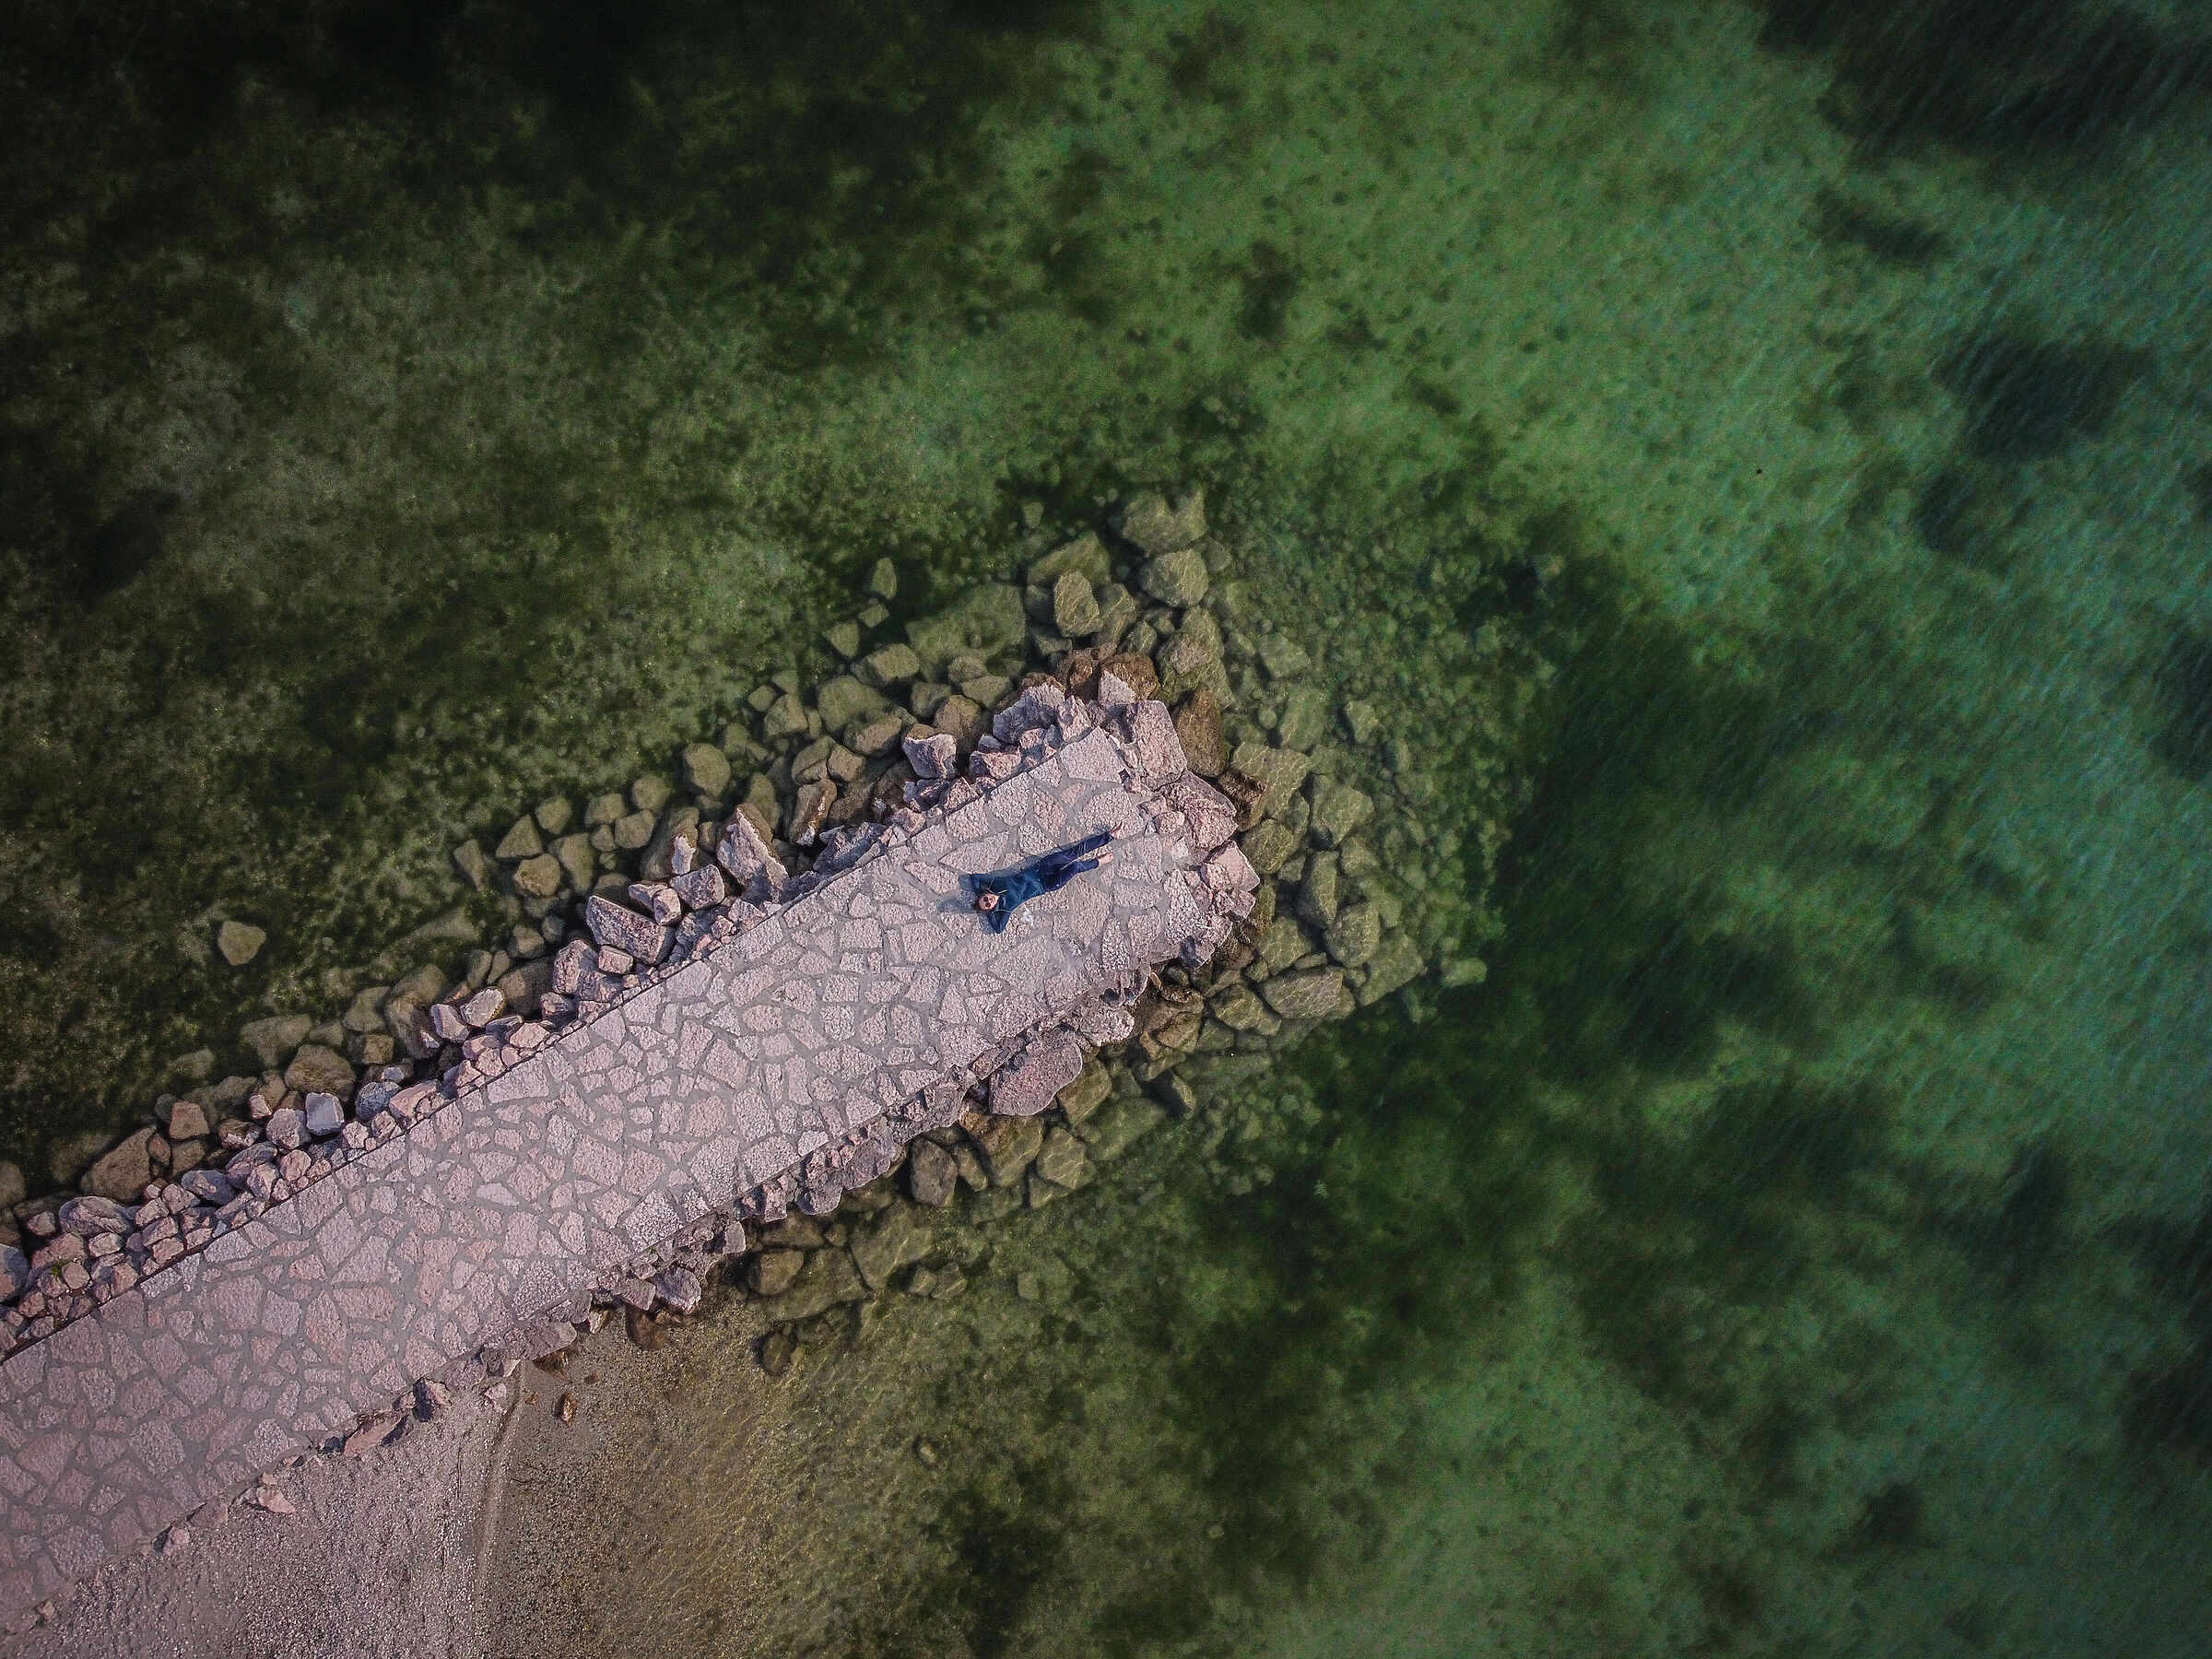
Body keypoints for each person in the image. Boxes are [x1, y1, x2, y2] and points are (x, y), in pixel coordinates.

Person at [971, 831, 1117, 933]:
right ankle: (1099, 861)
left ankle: (1109, 836)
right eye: (988, 904)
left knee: (1074, 852)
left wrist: (980, 894)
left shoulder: (993, 884)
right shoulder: (1005, 908)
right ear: (992, 908)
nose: (989, 900)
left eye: (985, 899)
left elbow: (974, 878)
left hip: (1040, 868)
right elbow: (999, 929)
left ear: (985, 894)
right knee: (1076, 866)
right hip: (1047, 884)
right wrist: (990, 912)